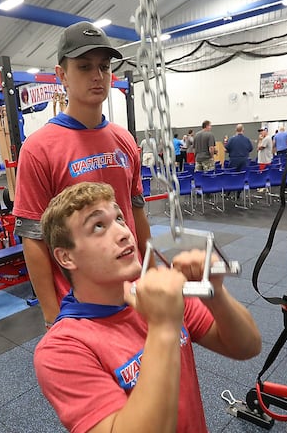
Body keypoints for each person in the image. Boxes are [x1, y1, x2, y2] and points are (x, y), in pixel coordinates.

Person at [34, 182, 261, 433]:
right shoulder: (62, 349)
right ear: (66, 257)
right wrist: (163, 326)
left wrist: (215, 294)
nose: (123, 233)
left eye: (119, 218)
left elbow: (247, 347)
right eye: (98, 226)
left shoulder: (156, 291)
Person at [14, 21, 152, 329]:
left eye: (104, 67)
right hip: (81, 303)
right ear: (61, 75)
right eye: (84, 66)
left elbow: (136, 212)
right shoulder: (38, 148)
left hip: (131, 290)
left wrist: (150, 270)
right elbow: (33, 238)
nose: (97, 75)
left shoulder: (125, 140)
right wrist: (52, 315)